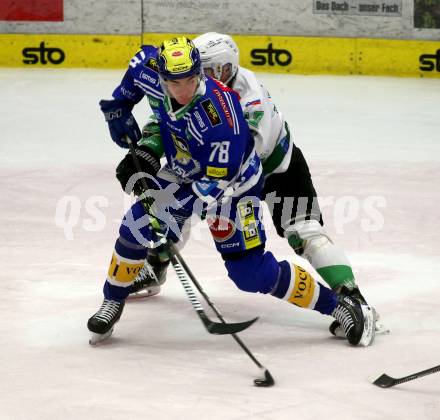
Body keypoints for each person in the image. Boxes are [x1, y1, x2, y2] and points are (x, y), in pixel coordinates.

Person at [87, 36, 375, 347]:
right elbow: (145, 96)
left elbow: (216, 183)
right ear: (162, 77)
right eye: (174, 82)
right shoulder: (154, 73)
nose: (182, 89)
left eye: (190, 79)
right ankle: (112, 300)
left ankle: (341, 304)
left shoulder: (224, 115)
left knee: (250, 273)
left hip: (236, 184)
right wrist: (132, 132)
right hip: (188, 166)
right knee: (136, 224)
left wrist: (169, 208)